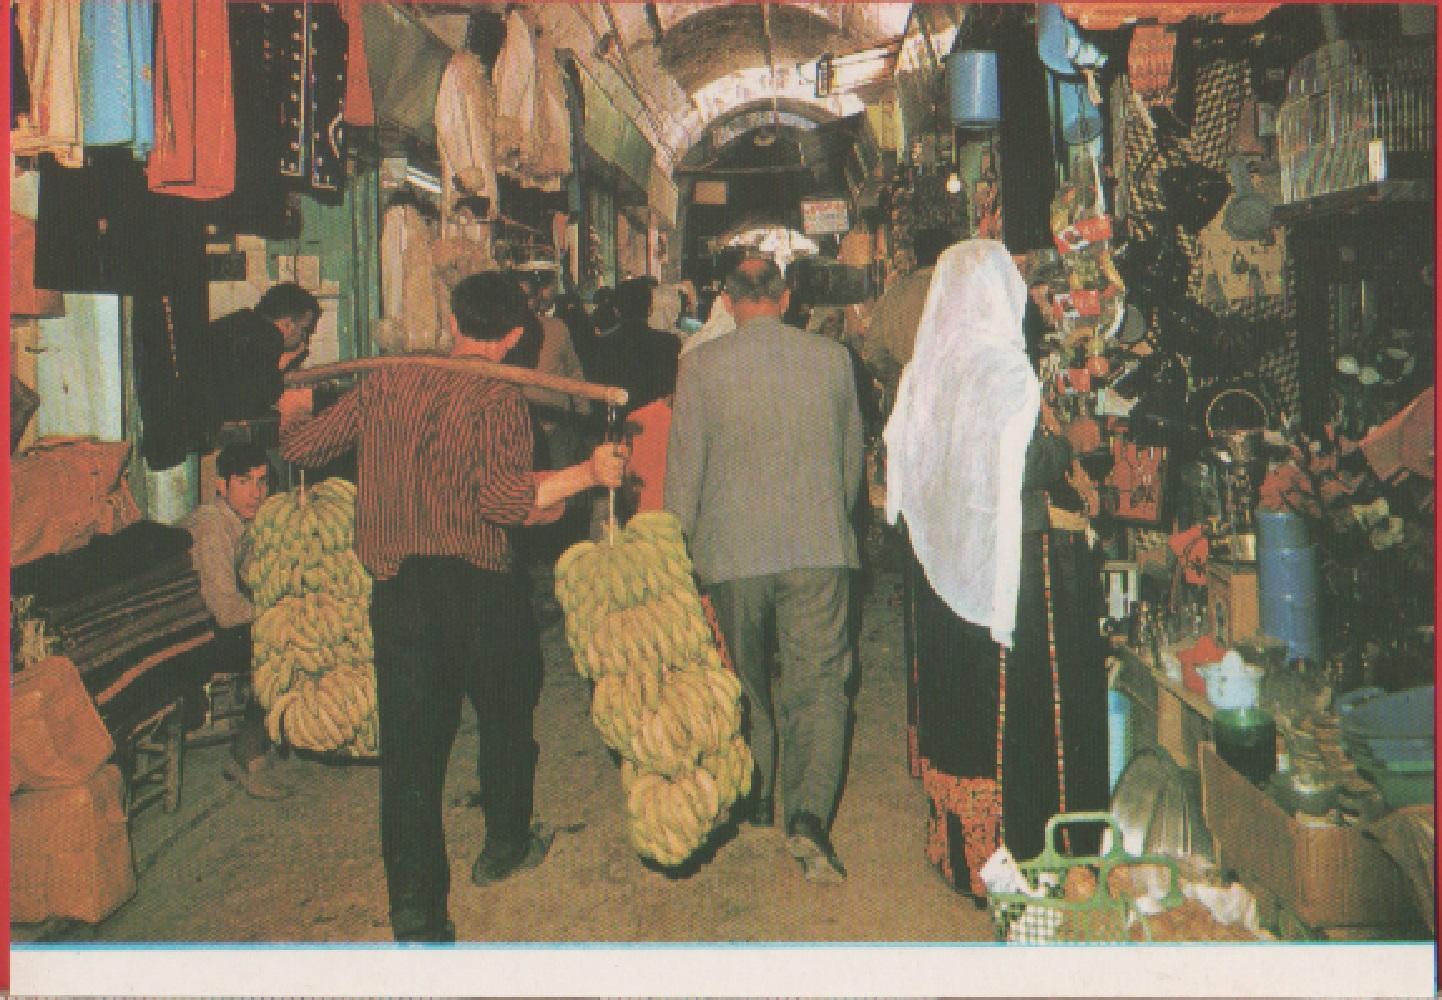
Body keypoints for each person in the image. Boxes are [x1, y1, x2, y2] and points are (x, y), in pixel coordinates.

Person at [278, 271, 629, 942]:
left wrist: (291, 406)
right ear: (517, 336)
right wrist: (587, 475)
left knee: (409, 756)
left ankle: (415, 912)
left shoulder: (384, 380)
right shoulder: (497, 397)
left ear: (455, 318)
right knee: (505, 713)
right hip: (477, 588)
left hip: (399, 594)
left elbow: (300, 449)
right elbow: (502, 502)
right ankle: (503, 846)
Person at [883, 240, 1107, 898]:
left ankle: (960, 849)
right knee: (1018, 709)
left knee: (959, 702)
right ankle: (1030, 853)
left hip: (942, 572)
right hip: (1005, 570)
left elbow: (906, 465)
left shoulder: (926, 369)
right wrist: (1072, 444)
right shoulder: (999, 372)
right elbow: (1021, 470)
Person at [664, 257, 863, 884]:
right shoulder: (832, 360)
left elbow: (683, 475)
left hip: (730, 553)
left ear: (726, 299)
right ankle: (807, 818)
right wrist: (835, 519)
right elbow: (851, 462)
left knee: (741, 682)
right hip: (816, 544)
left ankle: (752, 800)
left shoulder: (698, 367)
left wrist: (679, 551)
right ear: (784, 297)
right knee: (819, 680)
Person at [179, 443, 290, 800]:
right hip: (194, 638)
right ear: (222, 486)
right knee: (279, 648)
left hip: (216, 627)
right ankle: (247, 757)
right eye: (244, 482)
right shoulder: (212, 525)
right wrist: (275, 615)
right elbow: (226, 610)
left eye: (262, 482)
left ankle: (262, 743)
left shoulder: (244, 523)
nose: (256, 493)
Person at [860, 227, 953, 416]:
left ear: (916, 257)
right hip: (955, 405)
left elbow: (873, 354)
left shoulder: (893, 297)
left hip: (907, 409)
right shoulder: (965, 291)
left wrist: (903, 380)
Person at [209, 282, 321, 426]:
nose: (304, 340)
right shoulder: (270, 337)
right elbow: (252, 405)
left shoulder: (243, 321)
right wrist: (283, 363)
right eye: (304, 330)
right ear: (288, 324)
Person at [586, 276, 680, 417]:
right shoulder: (670, 344)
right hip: (659, 427)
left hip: (618, 428)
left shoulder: (602, 345)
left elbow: (596, 398)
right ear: (650, 309)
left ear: (616, 311)